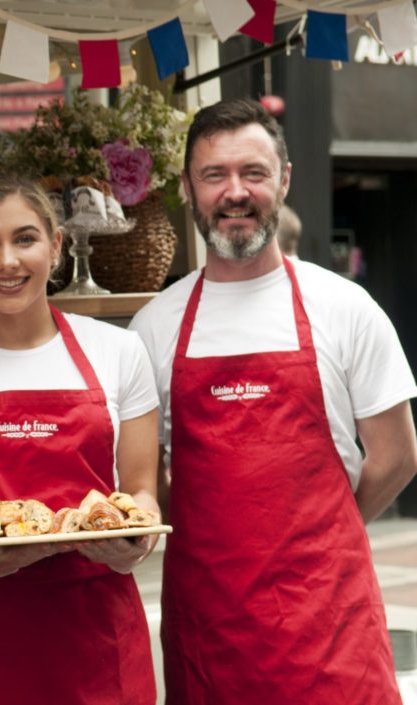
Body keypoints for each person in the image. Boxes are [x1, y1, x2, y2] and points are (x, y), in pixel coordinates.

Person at [129, 98, 417, 704]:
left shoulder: (345, 308)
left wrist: (323, 535)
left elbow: (396, 455)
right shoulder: (154, 326)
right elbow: (145, 477)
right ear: (188, 188)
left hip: (330, 627)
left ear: (284, 179)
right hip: (211, 631)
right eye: (215, 175)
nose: (235, 192)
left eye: (253, 173)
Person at [0, 173, 161, 705]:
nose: (7, 261)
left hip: (97, 634)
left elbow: (141, 494)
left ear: (56, 245)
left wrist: (133, 545)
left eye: (24, 238)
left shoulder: (119, 352)